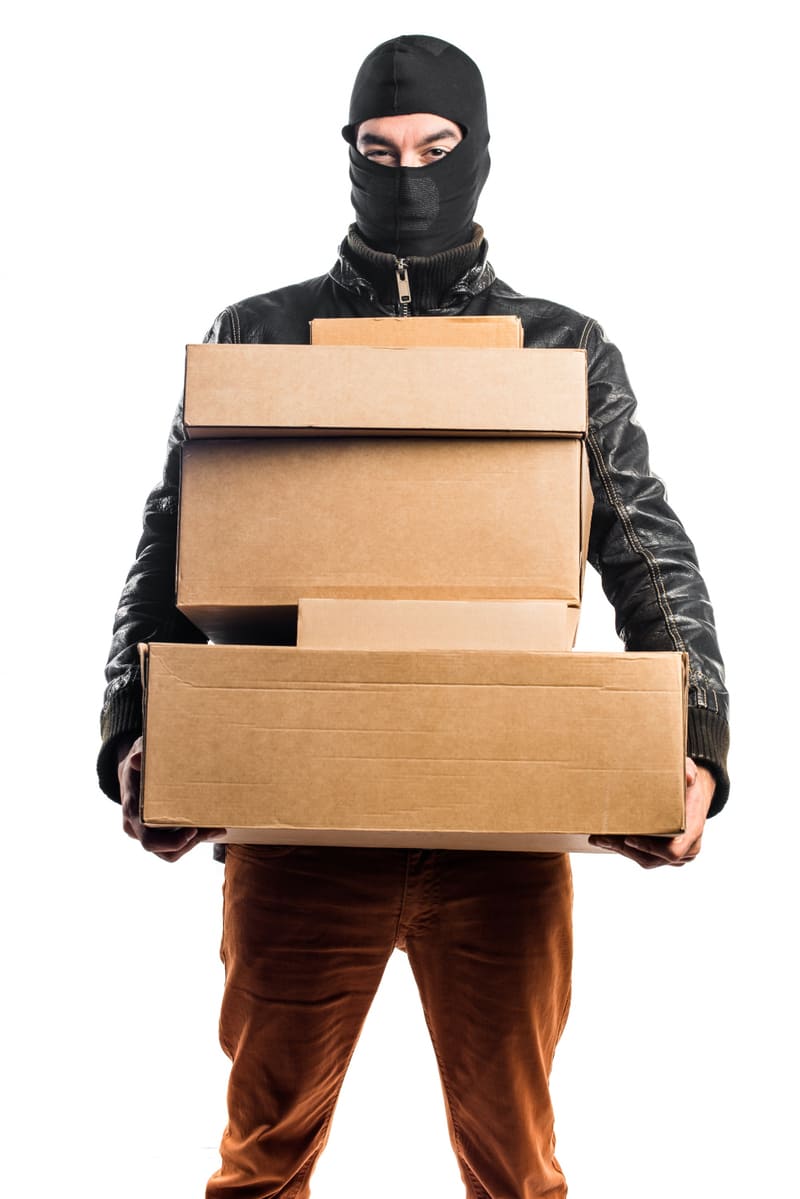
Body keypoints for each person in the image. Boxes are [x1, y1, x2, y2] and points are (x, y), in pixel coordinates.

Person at [99, 34, 729, 1199]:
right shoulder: (258, 335)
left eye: (435, 149)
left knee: (514, 1168)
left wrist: (694, 739)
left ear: (478, 152)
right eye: (380, 153)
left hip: (502, 812)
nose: (409, 177)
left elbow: (644, 546)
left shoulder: (560, 348)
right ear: (345, 153)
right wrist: (137, 731)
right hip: (296, 809)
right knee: (263, 1157)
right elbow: (170, 545)